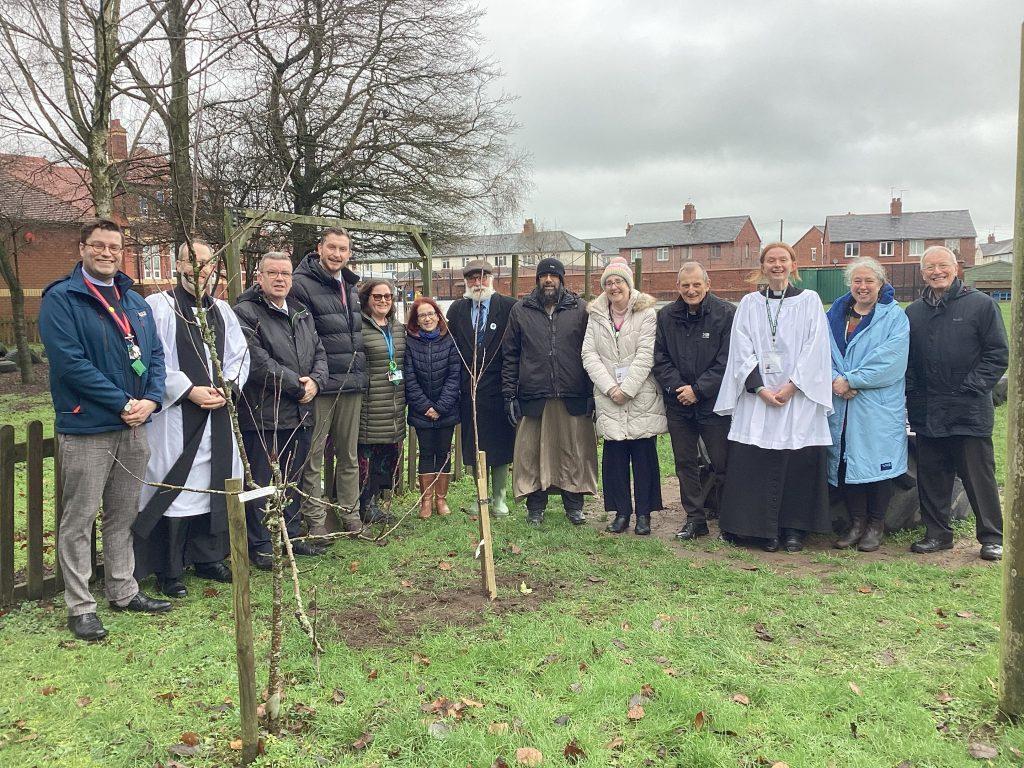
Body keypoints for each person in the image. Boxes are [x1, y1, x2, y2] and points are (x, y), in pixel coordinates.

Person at [38, 218, 171, 641]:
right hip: (87, 427)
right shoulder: (63, 299)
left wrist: (151, 400)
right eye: (98, 245)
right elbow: (70, 363)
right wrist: (122, 402)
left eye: (114, 247)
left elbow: (154, 358)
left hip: (134, 427)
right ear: (82, 248)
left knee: (122, 514)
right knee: (79, 519)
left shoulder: (136, 301)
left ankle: (123, 589)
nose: (107, 253)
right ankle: (80, 606)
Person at [133, 240, 250, 598]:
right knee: (176, 488)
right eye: (192, 263)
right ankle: (169, 569)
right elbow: (156, 359)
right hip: (178, 417)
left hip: (218, 411)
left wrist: (228, 386)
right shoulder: (160, 306)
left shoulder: (223, 311)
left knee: (215, 483)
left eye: (207, 264)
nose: (200, 270)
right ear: (178, 266)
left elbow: (239, 355)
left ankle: (208, 557)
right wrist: (188, 390)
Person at [714, 242, 833, 553]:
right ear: (762, 267)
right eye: (771, 261)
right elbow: (740, 349)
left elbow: (816, 347)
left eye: (783, 260)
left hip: (798, 399)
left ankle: (794, 529)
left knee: (798, 463)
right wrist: (759, 388)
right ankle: (758, 529)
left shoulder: (810, 301)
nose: (777, 265)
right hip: (759, 399)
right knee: (756, 462)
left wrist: (792, 385)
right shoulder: (749, 303)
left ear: (793, 265)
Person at [905, 246, 1008, 561]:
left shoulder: (981, 305)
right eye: (930, 267)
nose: (936, 271)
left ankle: (992, 537)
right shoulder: (913, 312)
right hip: (928, 410)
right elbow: (907, 360)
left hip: (968, 409)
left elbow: (997, 354)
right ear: (923, 273)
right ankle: (937, 534)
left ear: (956, 268)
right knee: (932, 476)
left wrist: (972, 387)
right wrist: (911, 394)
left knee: (979, 477)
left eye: (942, 265)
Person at [234, 252, 330, 569]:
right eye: (272, 272)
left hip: (300, 415)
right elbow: (258, 362)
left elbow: (319, 352)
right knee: (263, 483)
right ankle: (262, 545)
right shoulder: (246, 313)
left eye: (285, 273)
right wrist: (297, 387)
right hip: (264, 416)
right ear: (258, 277)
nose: (280, 279)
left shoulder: (301, 313)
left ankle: (289, 537)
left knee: (292, 479)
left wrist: (316, 381)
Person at [502, 256, 598, 526]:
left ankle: (574, 507)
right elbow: (510, 355)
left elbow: (592, 353)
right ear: (537, 280)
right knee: (533, 455)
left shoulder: (580, 310)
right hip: (535, 394)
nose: (548, 280)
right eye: (544, 276)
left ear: (562, 280)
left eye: (553, 276)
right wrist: (509, 394)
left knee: (574, 452)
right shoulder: (521, 311)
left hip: (573, 393)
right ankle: (536, 508)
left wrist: (592, 392)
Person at [826, 257, 909, 552]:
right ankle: (857, 522)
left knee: (877, 464)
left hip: (875, 405)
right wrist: (835, 379)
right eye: (857, 281)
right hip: (843, 404)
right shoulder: (835, 314)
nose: (862, 287)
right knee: (849, 461)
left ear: (881, 284)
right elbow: (822, 353)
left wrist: (851, 380)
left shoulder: (893, 317)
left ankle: (876, 524)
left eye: (869, 281)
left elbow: (891, 360)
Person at [291, 227, 367, 534]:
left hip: (350, 381)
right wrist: (314, 377)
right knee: (315, 455)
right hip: (321, 384)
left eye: (343, 249)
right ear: (319, 248)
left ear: (349, 253)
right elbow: (304, 336)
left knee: (349, 454)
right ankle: (316, 520)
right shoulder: (301, 284)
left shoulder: (348, 285)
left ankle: (350, 514)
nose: (337, 254)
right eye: (332, 247)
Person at [582, 257, 666, 535]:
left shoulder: (647, 313)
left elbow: (646, 354)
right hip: (609, 397)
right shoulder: (595, 315)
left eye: (618, 281)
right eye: (608, 282)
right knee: (615, 459)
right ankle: (620, 513)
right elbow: (589, 354)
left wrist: (627, 388)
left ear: (629, 284)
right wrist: (610, 387)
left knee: (644, 457)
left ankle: (644, 514)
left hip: (640, 394)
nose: (613, 287)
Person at [652, 262, 735, 541]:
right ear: (678, 287)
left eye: (696, 284)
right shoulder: (665, 316)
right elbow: (659, 358)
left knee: (722, 463)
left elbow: (727, 361)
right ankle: (695, 519)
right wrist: (679, 389)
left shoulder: (726, 314)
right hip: (678, 405)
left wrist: (698, 390)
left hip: (713, 403)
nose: (691, 290)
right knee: (685, 463)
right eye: (685, 285)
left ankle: (728, 519)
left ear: (707, 285)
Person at [446, 260, 517, 516]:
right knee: (475, 446)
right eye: (473, 279)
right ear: (466, 282)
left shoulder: (509, 307)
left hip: (499, 388)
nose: (478, 283)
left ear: (492, 279)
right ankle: (481, 497)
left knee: (499, 445)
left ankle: (499, 498)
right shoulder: (457, 309)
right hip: (469, 391)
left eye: (483, 278)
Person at [404, 297, 461, 518]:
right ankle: (426, 500)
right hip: (421, 411)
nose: (427, 318)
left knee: (444, 452)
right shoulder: (410, 343)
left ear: (438, 315)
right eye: (422, 315)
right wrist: (426, 406)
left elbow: (454, 376)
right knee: (426, 453)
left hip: (446, 409)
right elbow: (409, 377)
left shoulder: (450, 341)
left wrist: (440, 407)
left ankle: (441, 498)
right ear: (416, 320)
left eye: (431, 314)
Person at [357, 279, 407, 524]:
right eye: (377, 296)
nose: (383, 301)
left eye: (388, 296)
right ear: (367, 298)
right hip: (370, 403)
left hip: (393, 404)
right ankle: (363, 504)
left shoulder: (396, 327)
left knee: (385, 457)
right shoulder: (359, 326)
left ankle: (375, 501)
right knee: (365, 457)